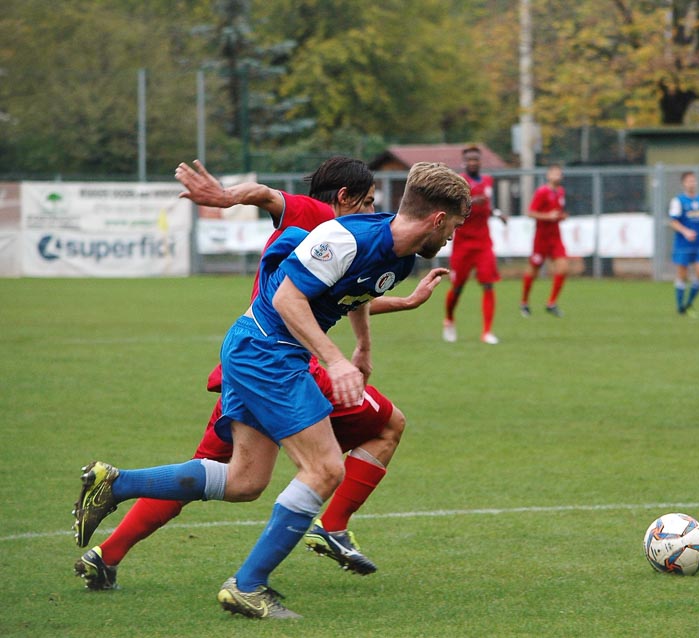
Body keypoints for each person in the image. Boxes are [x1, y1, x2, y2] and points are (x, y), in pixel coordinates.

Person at [72, 162, 471, 619]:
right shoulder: (346, 236)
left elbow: (353, 294)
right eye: (455, 227)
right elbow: (286, 298)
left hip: (266, 353)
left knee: (245, 481)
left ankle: (117, 483)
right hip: (267, 351)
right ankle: (248, 586)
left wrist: (362, 347)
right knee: (325, 468)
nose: (452, 238)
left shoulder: (401, 257)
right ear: (438, 219)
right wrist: (335, 360)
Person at [443, 145, 507, 344]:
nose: (473, 162)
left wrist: (497, 213)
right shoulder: (459, 182)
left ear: (480, 161)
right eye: (469, 159)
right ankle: (449, 320)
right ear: (464, 162)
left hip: (483, 243)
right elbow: (452, 208)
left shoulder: (488, 181)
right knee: (457, 288)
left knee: (488, 284)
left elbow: (487, 206)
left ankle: (487, 332)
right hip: (463, 244)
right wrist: (469, 202)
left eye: (476, 159)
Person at [520, 164, 568, 317]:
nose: (557, 176)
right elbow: (531, 213)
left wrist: (561, 216)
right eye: (554, 173)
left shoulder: (560, 191)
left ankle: (551, 303)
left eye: (559, 173)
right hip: (541, 237)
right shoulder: (542, 192)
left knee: (563, 267)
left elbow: (557, 212)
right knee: (534, 269)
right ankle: (524, 302)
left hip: (555, 237)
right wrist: (548, 216)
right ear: (548, 175)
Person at [668, 171, 699, 317]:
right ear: (683, 183)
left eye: (694, 180)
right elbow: (673, 222)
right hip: (683, 245)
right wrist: (686, 231)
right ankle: (680, 307)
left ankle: (689, 304)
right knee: (682, 276)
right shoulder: (678, 201)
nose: (692, 183)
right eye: (689, 181)